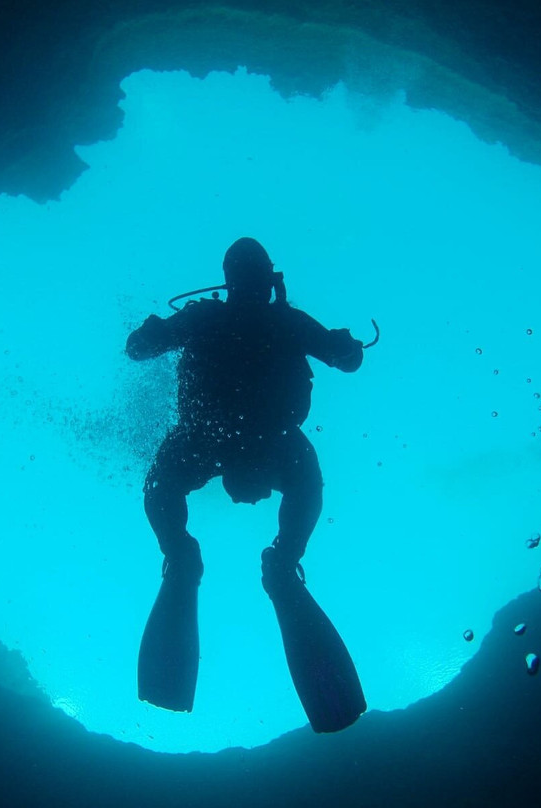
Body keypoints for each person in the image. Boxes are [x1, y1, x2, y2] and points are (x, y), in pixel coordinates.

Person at [127, 237, 368, 732]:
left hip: (208, 438)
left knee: (160, 487)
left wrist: (152, 332)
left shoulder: (204, 318)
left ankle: (183, 557)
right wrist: (346, 346)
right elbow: (346, 360)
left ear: (230, 280)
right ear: (268, 279)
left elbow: (137, 349)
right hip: (267, 441)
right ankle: (281, 564)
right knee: (306, 481)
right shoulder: (286, 321)